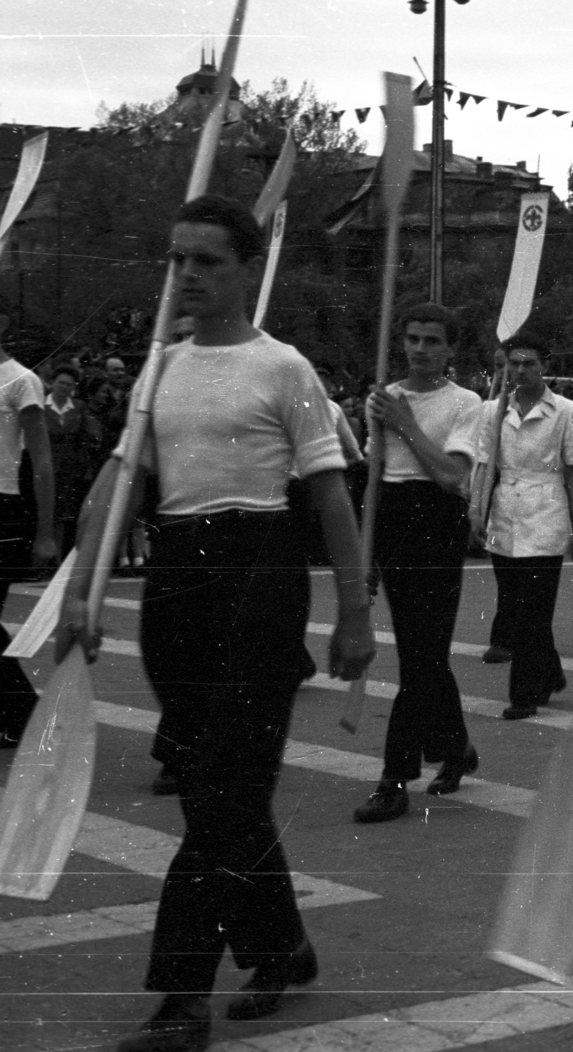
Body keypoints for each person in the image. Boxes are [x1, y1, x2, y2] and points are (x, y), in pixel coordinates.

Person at [57, 194, 374, 1050]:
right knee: (215, 788)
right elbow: (115, 489)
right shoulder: (159, 369)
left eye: (206, 260)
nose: (187, 275)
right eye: (177, 259)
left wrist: (353, 613)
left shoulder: (285, 368)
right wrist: (81, 591)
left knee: (224, 790)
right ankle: (282, 944)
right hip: (176, 577)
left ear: (245, 269)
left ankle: (181, 997)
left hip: (258, 571)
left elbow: (332, 497)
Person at [354, 303, 482, 824]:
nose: (421, 349)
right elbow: (373, 475)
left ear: (450, 349)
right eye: (413, 339)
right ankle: (456, 747)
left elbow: (452, 476)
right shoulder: (382, 399)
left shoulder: (466, 403)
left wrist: (405, 424)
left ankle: (394, 779)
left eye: (432, 341)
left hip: (437, 520)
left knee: (422, 655)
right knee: (420, 652)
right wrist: (364, 552)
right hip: (393, 518)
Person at [473, 332, 573, 718]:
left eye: (529, 364)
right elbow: (484, 465)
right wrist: (475, 509)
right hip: (504, 514)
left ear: (544, 366)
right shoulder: (493, 411)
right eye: (514, 364)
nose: (520, 370)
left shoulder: (568, 411)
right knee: (517, 604)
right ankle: (550, 672)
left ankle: (523, 695)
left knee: (533, 611)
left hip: (546, 513)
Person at [0, 317, 55, 747]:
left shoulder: (22, 381)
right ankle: (17, 714)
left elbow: (42, 462)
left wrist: (45, 531)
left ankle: (22, 715)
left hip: (3, 505)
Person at [43, 363, 100, 554]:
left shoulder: (79, 407)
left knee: (63, 516)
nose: (64, 387)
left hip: (69, 471)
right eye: (61, 383)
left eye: (69, 384)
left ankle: (58, 558)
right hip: (44, 468)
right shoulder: (40, 405)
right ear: (53, 383)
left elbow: (91, 434)